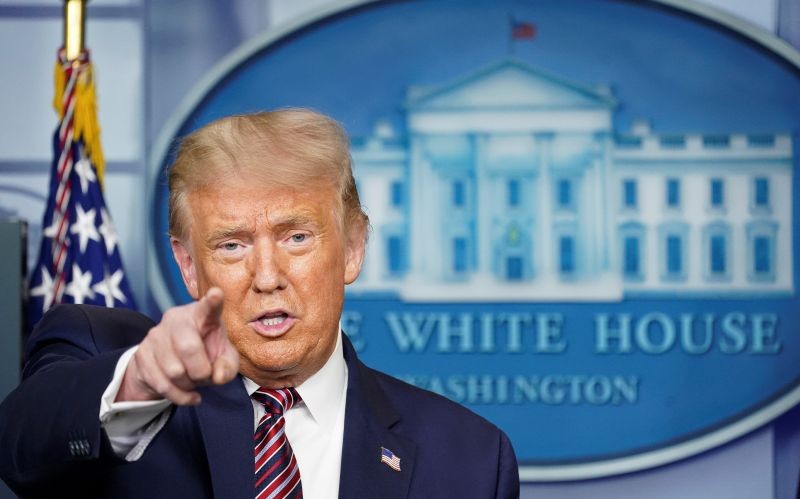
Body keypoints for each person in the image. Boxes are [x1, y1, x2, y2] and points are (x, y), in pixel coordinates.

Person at [0, 109, 520, 498]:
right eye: (232, 245)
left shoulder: (471, 460)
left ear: (354, 248)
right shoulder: (107, 359)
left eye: (296, 237)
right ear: (187, 266)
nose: (267, 277)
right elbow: (17, 445)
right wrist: (139, 381)